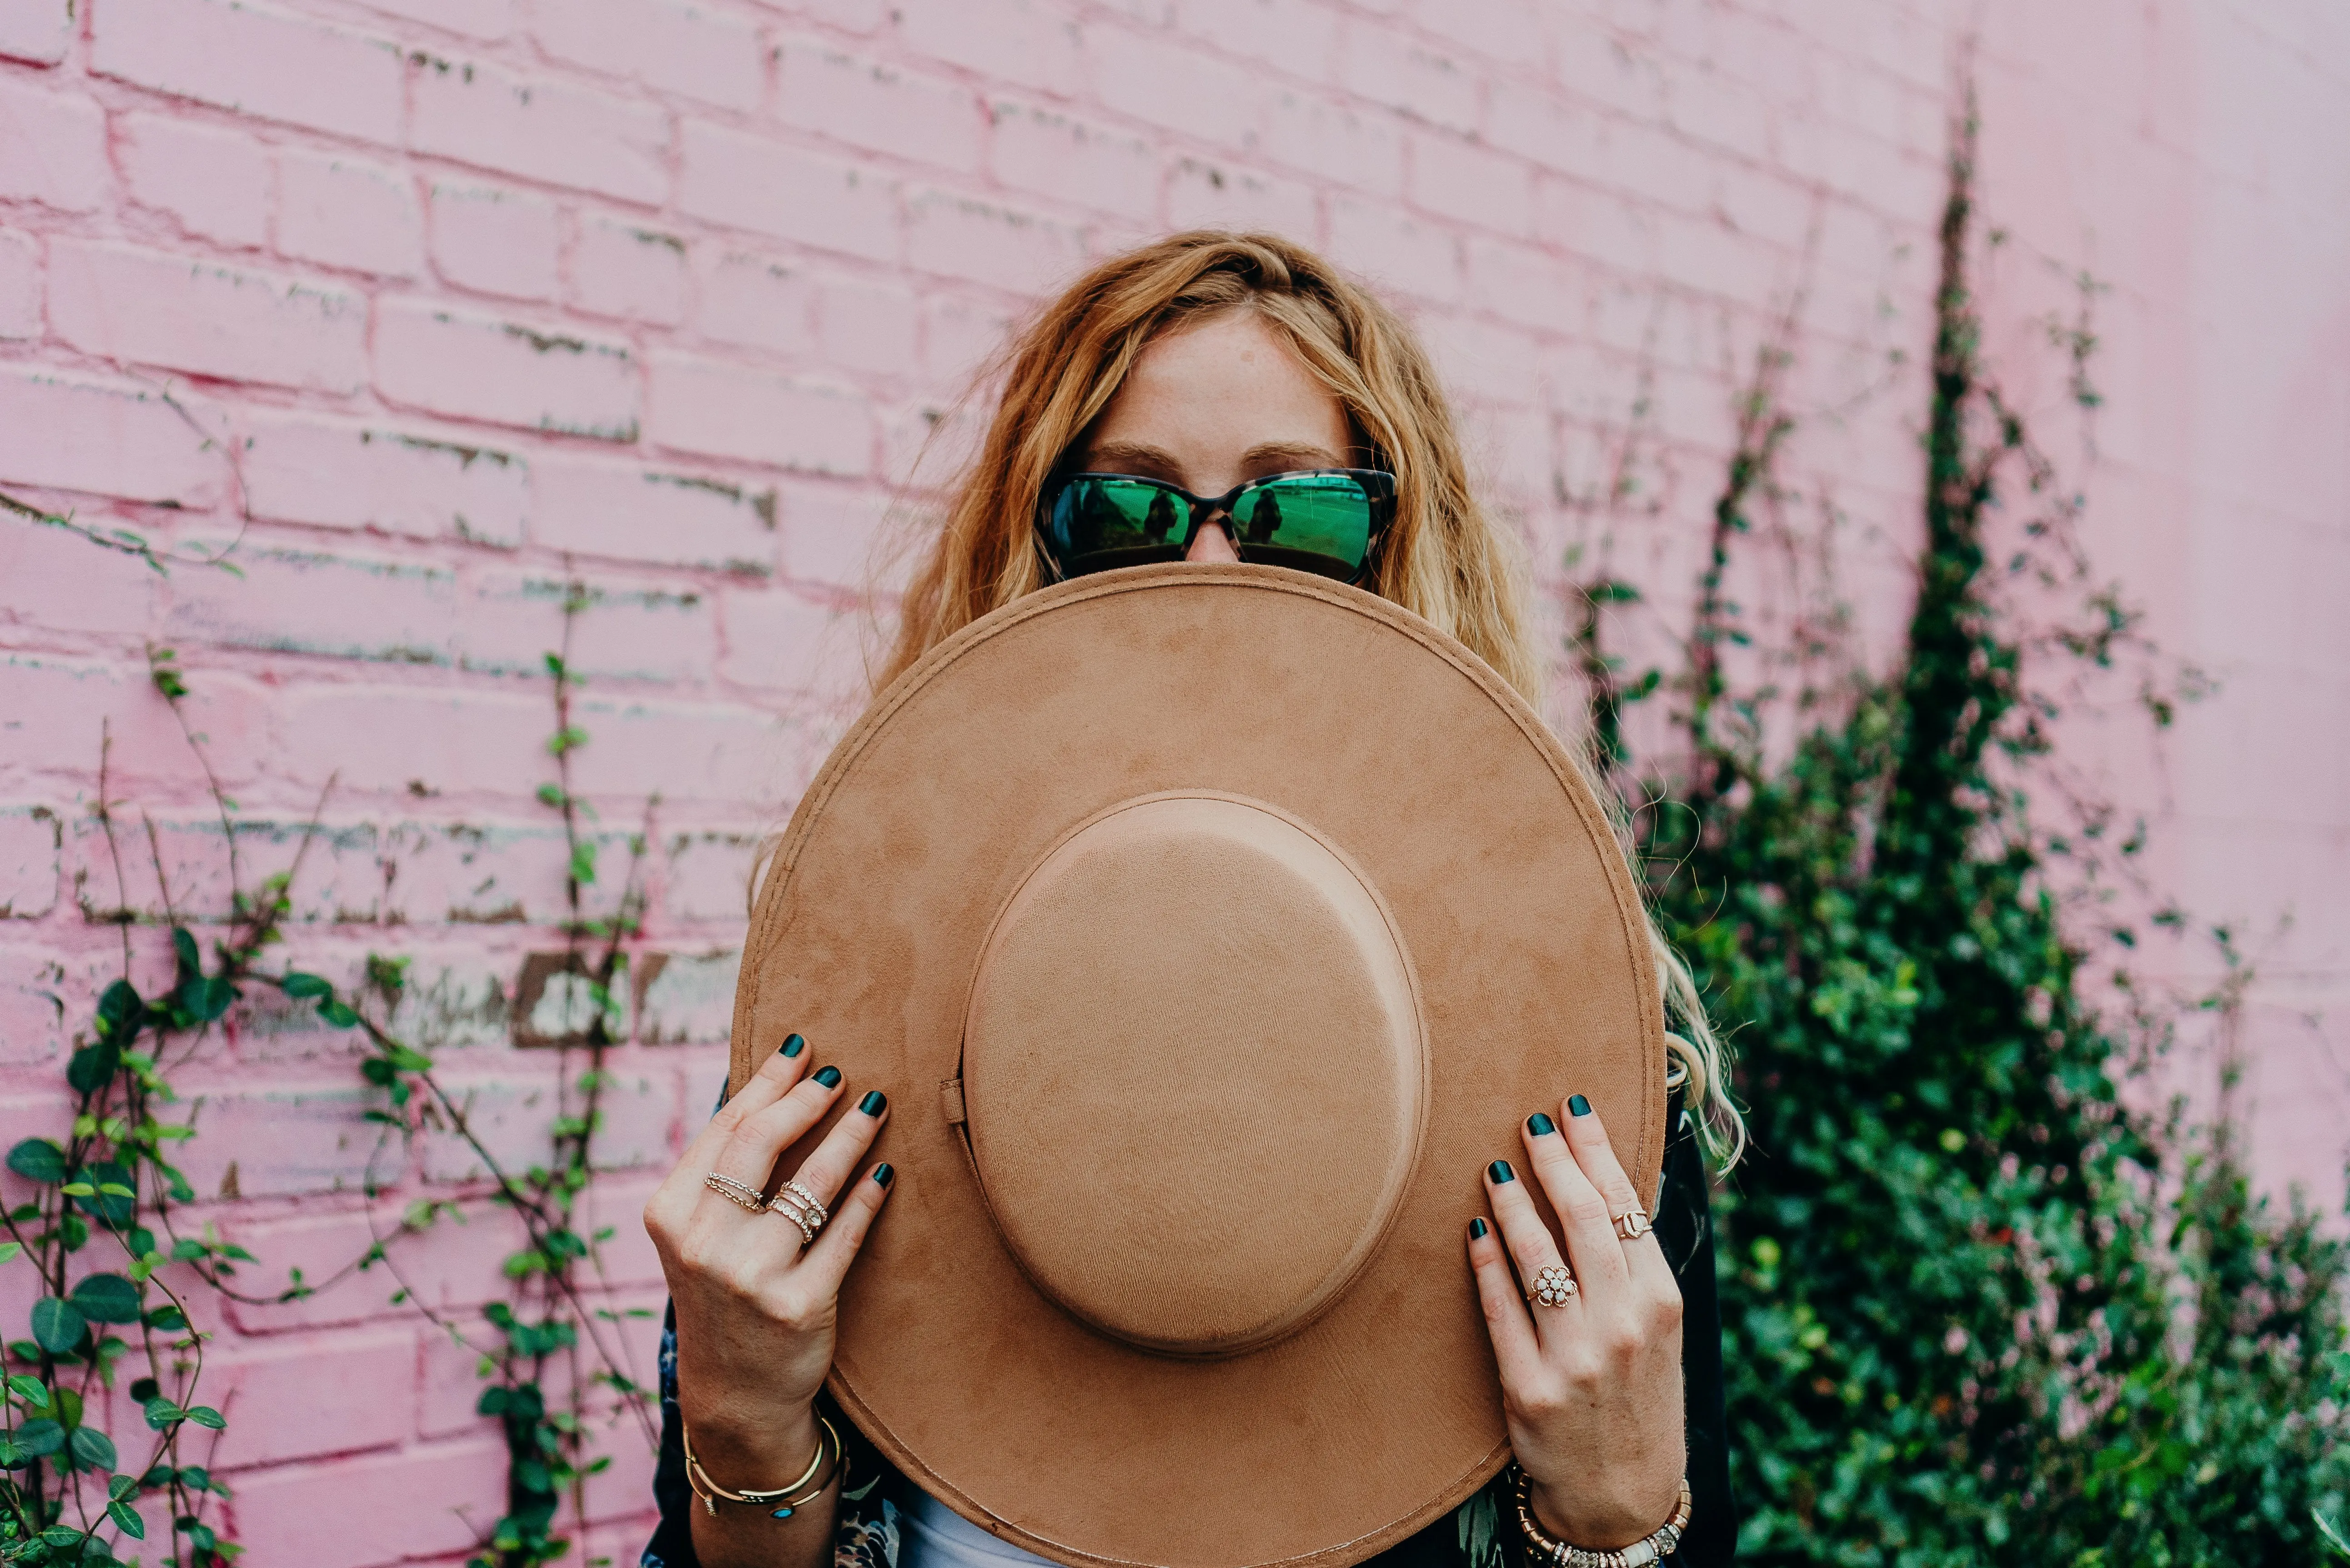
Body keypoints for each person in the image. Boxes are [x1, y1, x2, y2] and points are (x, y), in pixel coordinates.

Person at [641, 233, 1743, 1568]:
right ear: (1034, 551)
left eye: (1303, 514)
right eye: (1124, 515)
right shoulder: (865, 1014)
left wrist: (1614, 1520)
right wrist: (747, 1429)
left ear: (1398, 547)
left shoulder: (1577, 1060)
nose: (1210, 575)